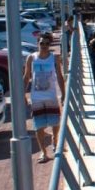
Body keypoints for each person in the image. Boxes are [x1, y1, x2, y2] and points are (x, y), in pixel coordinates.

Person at [24, 32, 65, 163]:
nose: (44, 46)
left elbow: (59, 76)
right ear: (38, 43)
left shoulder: (54, 58)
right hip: (36, 97)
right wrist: (23, 94)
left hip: (51, 95)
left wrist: (63, 94)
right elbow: (26, 77)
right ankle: (44, 152)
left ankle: (55, 139)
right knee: (38, 126)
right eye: (42, 43)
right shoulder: (31, 58)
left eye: (47, 44)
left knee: (56, 122)